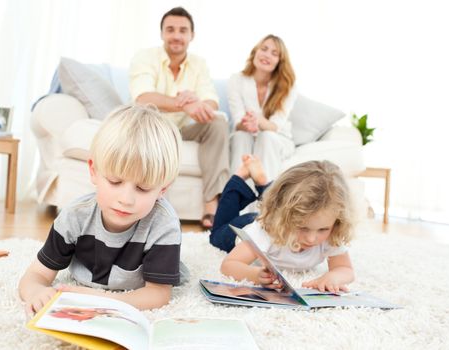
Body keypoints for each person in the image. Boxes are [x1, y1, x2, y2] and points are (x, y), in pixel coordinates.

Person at [19, 104, 185, 315]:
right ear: (94, 171)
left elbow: (159, 295)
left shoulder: (164, 223)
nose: (126, 199)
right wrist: (36, 292)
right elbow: (36, 274)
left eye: (143, 188)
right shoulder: (74, 216)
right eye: (115, 181)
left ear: (162, 189)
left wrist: (102, 300)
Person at [129, 6, 229, 229]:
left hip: (182, 130)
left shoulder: (199, 64)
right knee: (149, 116)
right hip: (152, 126)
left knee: (218, 122)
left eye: (183, 30)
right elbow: (143, 98)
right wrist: (185, 105)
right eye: (170, 29)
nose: (176, 35)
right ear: (162, 33)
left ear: (191, 35)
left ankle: (211, 204)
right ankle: (150, 206)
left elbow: (211, 101)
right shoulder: (145, 58)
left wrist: (199, 103)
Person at [211, 155, 355, 293]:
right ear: (283, 218)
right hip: (246, 224)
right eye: (302, 228)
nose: (311, 239)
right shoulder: (263, 232)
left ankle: (263, 185)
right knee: (216, 235)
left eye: (323, 229)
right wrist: (254, 275)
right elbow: (229, 265)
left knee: (278, 201)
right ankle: (238, 179)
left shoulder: (332, 230)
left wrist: (333, 277)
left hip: (276, 214)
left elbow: (345, 269)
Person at [227, 34, 297, 181]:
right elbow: (238, 119)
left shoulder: (287, 86)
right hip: (246, 134)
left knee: (267, 137)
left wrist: (257, 120)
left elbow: (276, 125)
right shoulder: (236, 80)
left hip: (276, 138)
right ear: (255, 52)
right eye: (264, 49)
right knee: (240, 137)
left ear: (279, 61)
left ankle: (265, 198)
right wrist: (247, 123)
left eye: (274, 53)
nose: (267, 55)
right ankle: (234, 198)